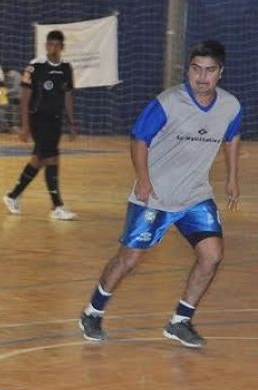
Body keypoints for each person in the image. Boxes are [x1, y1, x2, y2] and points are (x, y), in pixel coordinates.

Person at [78, 40, 241, 348]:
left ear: (221, 73)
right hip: (155, 194)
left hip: (195, 195)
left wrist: (232, 177)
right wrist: (143, 178)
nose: (202, 77)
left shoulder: (230, 106)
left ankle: (180, 321)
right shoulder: (168, 102)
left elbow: (232, 136)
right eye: (196, 69)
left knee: (213, 254)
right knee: (129, 260)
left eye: (209, 70)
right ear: (188, 69)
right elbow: (139, 139)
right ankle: (92, 312)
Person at [3, 30, 77, 220]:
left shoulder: (67, 68)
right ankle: (57, 206)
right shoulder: (35, 67)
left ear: (62, 47)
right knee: (52, 159)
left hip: (56, 120)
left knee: (39, 159)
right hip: (38, 120)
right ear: (46, 46)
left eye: (56, 45)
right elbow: (25, 97)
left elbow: (67, 95)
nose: (52, 48)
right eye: (49, 44)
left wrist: (71, 121)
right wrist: (25, 126)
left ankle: (12, 196)